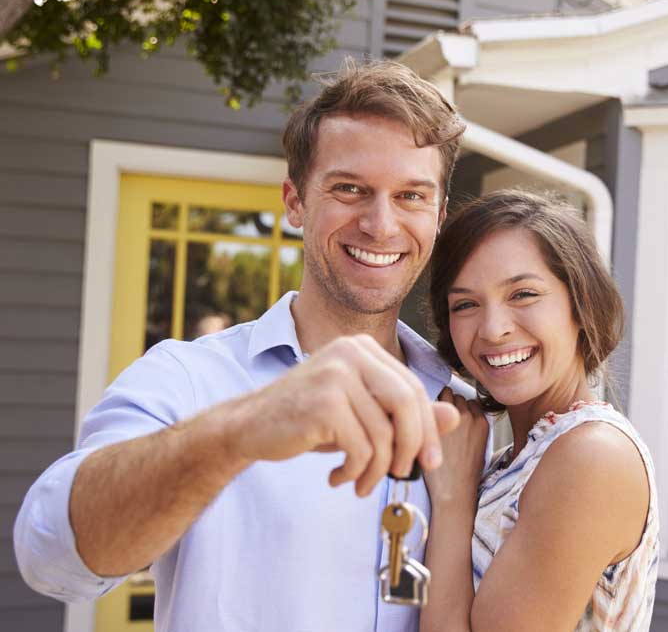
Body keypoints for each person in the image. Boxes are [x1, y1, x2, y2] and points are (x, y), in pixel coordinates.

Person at [14, 59, 474, 632]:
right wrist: (241, 429)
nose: (381, 225)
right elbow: (51, 559)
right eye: (350, 189)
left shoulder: (470, 413)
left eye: (411, 196)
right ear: (295, 201)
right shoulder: (187, 379)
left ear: (438, 215)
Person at [420, 190, 660, 631]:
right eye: (466, 304)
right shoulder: (511, 458)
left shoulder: (592, 457)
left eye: (524, 294)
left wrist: (452, 500)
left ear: (580, 303)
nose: (493, 330)